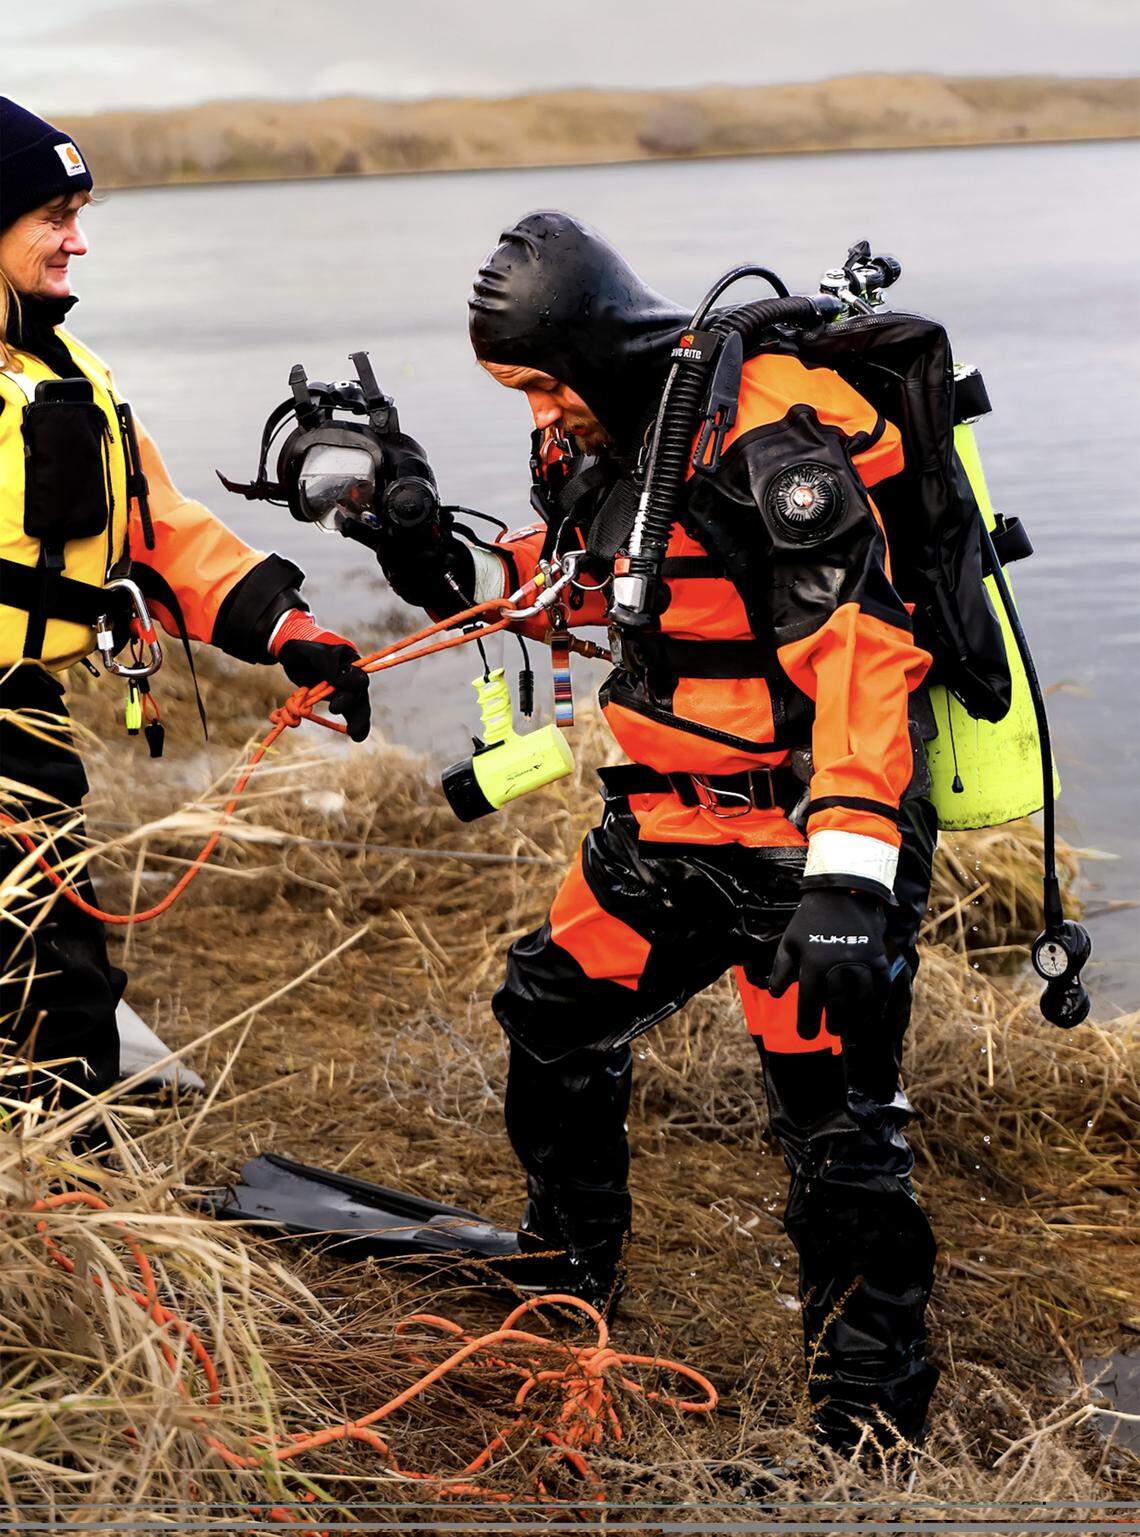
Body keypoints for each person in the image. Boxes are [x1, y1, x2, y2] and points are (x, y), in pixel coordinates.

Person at [374, 209, 941, 1453]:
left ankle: (868, 1428)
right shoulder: (614, 437)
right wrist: (429, 556)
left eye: (537, 383)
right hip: (665, 830)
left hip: (806, 848)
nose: (535, 412)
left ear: (592, 346)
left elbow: (862, 656)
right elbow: (598, 587)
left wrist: (851, 877)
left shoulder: (770, 437)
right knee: (552, 1010)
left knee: (835, 1127)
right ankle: (572, 1275)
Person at [0, 98, 370, 1123]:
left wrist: (292, 632)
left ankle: (54, 1207)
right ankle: (53, 1221)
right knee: (51, 998)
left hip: (29, 730)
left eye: (82, 209)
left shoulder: (69, 376)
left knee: (58, 994)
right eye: (50, 215)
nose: (78, 237)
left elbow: (158, 528)